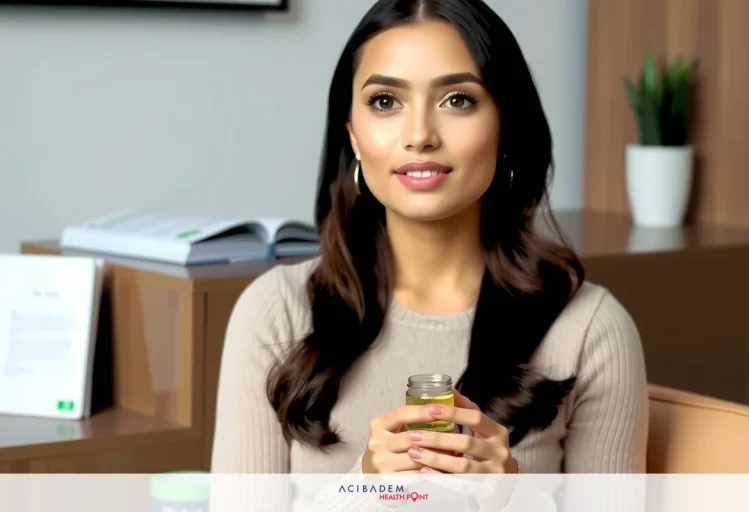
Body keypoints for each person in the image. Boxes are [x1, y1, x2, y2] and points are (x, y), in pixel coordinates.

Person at [211, 0, 648, 484]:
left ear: (505, 126)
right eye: (385, 102)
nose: (419, 135)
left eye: (457, 99)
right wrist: (366, 488)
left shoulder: (590, 331)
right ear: (353, 136)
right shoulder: (275, 313)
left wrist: (510, 496)